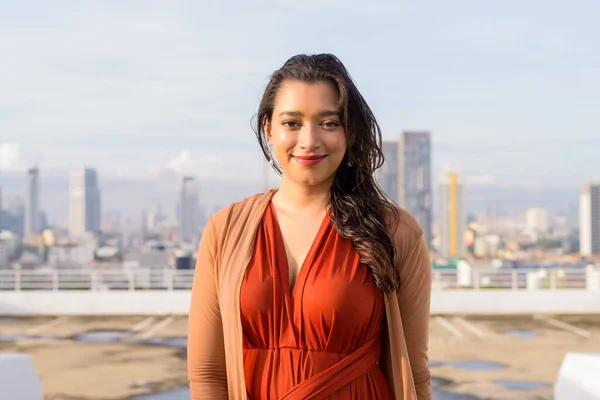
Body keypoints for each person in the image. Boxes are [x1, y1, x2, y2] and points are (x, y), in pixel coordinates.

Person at [187, 53, 432, 400]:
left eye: (329, 123)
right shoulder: (225, 229)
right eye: (292, 123)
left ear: (349, 132)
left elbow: (414, 374)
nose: (309, 140)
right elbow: (208, 374)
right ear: (267, 129)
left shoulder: (395, 232)